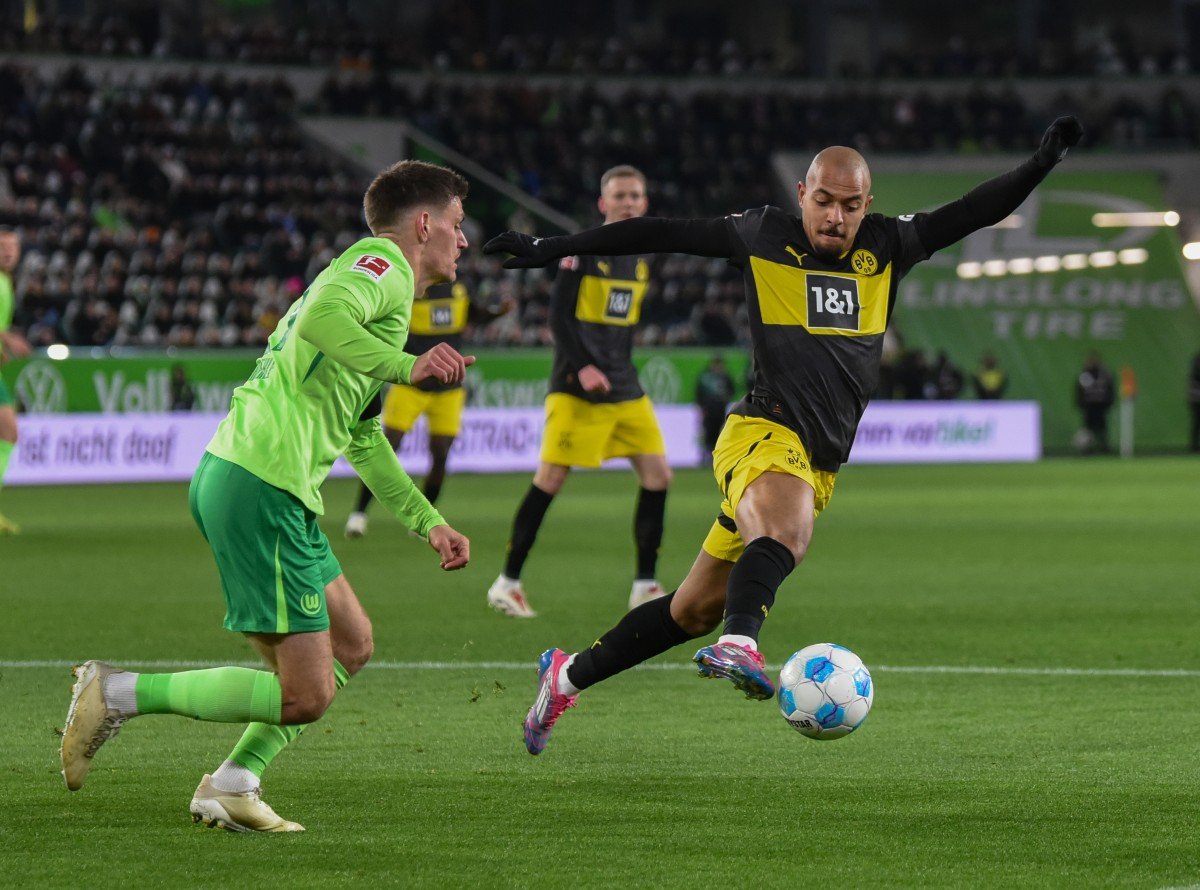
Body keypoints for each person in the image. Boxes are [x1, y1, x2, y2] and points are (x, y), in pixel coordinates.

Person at [485, 116, 1084, 755]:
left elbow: (973, 210)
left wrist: (1040, 163)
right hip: (761, 432)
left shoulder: (889, 246)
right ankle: (742, 640)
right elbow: (663, 232)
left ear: (867, 206)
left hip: (819, 460)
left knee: (688, 611)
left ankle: (565, 675)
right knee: (786, 534)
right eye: (823, 201)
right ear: (802, 193)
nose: (835, 217)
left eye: (850, 206)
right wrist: (554, 246)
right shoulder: (763, 233)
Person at [59, 160, 475, 830]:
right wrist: (407, 366)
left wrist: (428, 522)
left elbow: (362, 437)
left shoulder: (382, 299)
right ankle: (115, 693)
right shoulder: (382, 266)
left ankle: (233, 780)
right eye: (456, 225)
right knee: (305, 694)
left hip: (259, 482)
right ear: (423, 224)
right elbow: (319, 323)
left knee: (352, 642)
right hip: (262, 483)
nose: (463, 241)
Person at [486, 165, 672, 618]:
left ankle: (645, 585)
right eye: (620, 196)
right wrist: (585, 366)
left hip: (624, 388)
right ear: (603, 204)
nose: (628, 202)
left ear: (645, 203)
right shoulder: (581, 251)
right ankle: (506, 582)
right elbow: (557, 319)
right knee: (550, 479)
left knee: (658, 477)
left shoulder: (644, 258)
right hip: (577, 387)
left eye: (635, 195)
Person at [344, 280, 513, 537]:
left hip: (448, 388)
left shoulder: (458, 290)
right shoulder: (410, 288)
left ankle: (428, 521)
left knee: (441, 454)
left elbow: (473, 314)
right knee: (387, 446)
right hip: (410, 383)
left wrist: (497, 313)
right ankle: (359, 513)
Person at [0, 228, 31, 535]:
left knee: (7, 432)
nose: (8, 251)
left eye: (13, 246)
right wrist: (8, 338)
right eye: (1, 246)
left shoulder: (6, 283)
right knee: (8, 431)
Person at [695, 354, 736, 460]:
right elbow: (699, 394)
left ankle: (717, 456)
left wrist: (725, 400)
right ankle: (706, 456)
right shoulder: (705, 377)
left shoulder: (725, 377)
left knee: (719, 433)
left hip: (720, 410)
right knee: (708, 432)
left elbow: (732, 390)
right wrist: (701, 408)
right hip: (709, 410)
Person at [1075, 351, 1115, 453]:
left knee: (1102, 428)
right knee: (1088, 429)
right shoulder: (1084, 375)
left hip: (1101, 406)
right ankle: (1087, 448)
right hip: (1088, 406)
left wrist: (1109, 402)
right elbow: (1079, 390)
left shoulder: (1105, 374)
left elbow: (1110, 389)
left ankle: (1104, 447)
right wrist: (1081, 404)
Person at [1188, 350, 1200, 452]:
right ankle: (1194, 446)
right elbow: (1195, 376)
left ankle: (1194, 446)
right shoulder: (1197, 360)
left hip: (1194, 397)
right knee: (1196, 422)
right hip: (1196, 398)